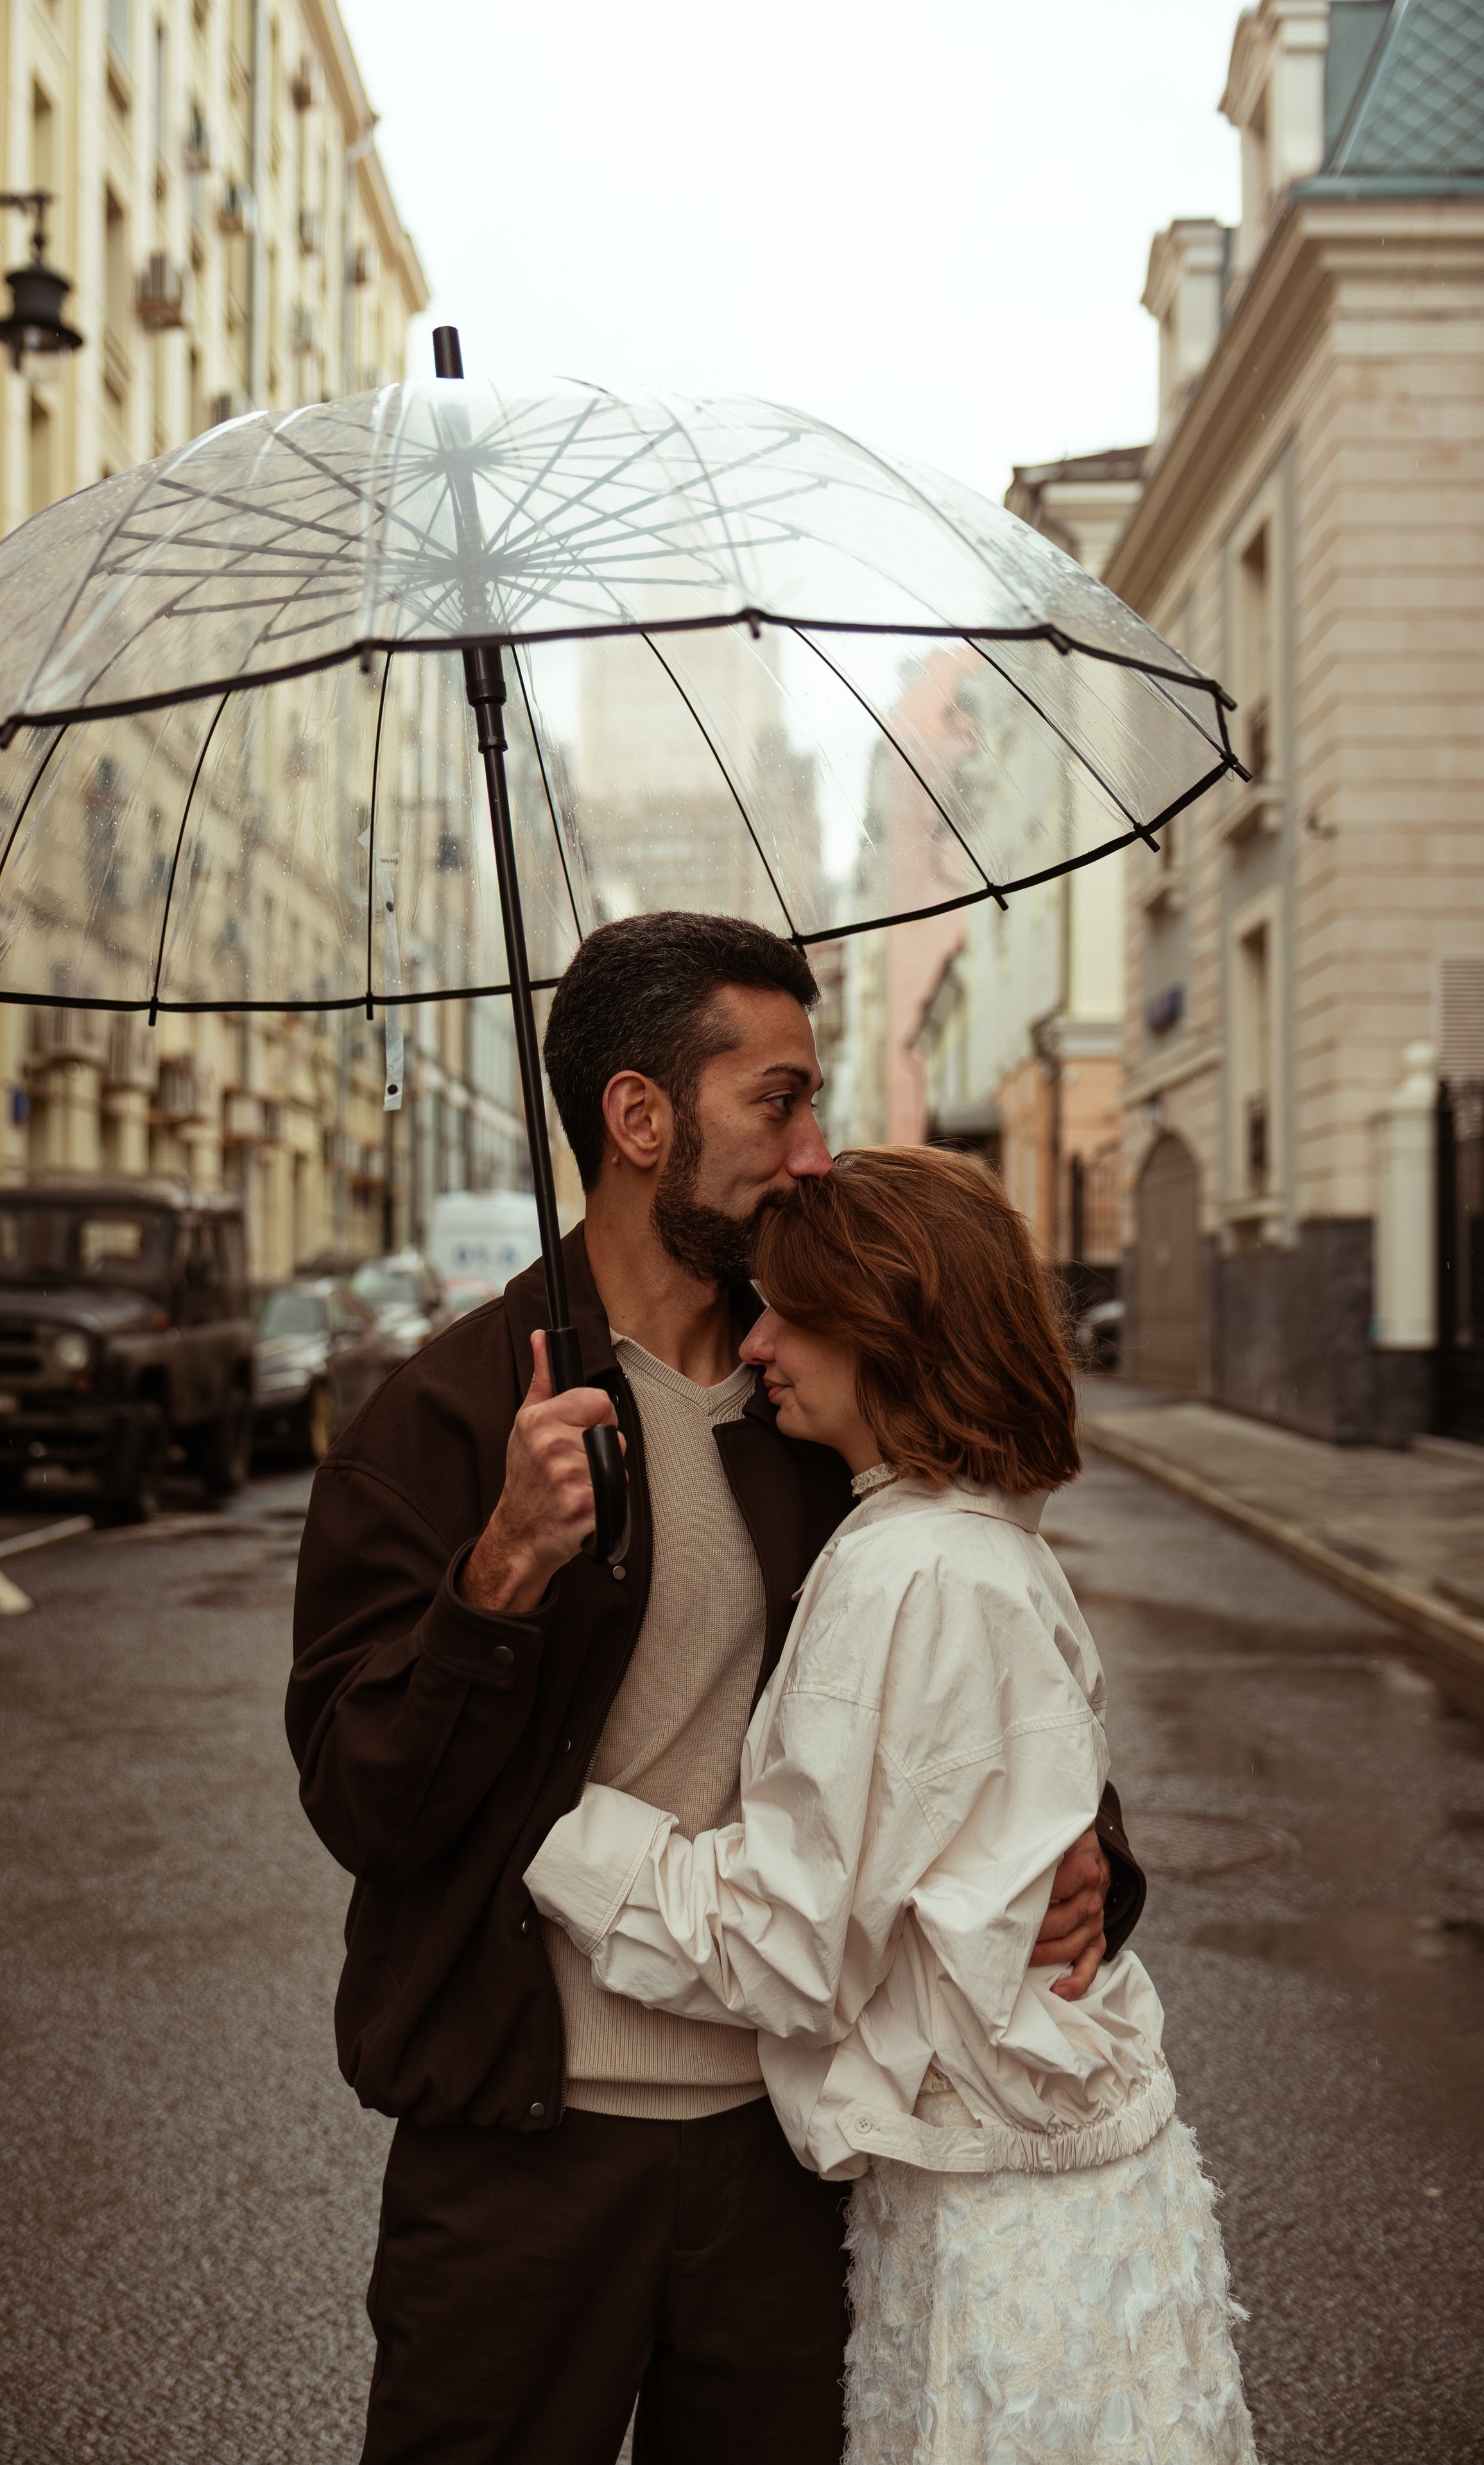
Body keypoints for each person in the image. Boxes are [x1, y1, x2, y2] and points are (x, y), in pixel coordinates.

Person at [287, 914, 1145, 2465]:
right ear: (639, 1118)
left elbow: (969, 1666)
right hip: (517, 2156)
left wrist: (1082, 1849)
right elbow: (365, 1804)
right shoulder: (438, 1422)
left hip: (790, 2151)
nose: (812, 1151)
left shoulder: (817, 1401)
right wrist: (498, 1571)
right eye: (777, 1101)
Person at [526, 1145, 1258, 2465]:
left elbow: (787, 1944)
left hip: (993, 2227)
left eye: (792, 1314)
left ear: (893, 1331)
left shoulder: (902, 1573)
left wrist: (559, 1826)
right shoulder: (985, 1538)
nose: (755, 1342)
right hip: (1058, 2190)